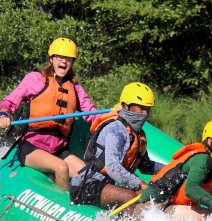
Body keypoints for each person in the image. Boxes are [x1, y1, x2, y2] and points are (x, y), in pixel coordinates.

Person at [0, 38, 101, 191]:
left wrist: (112, 117)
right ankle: (65, 208)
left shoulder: (75, 87)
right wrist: (4, 114)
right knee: (61, 167)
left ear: (72, 62)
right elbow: (10, 101)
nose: (64, 62)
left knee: (90, 174)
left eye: (68, 59)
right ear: (51, 59)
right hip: (32, 146)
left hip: (58, 148)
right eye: (60, 57)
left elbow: (92, 113)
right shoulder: (35, 79)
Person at [70, 83, 164, 214]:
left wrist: (170, 168)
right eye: (141, 108)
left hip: (109, 187)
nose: (145, 113)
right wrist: (142, 184)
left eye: (147, 109)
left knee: (147, 198)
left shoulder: (138, 134)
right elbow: (112, 167)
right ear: (126, 106)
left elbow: (145, 165)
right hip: (86, 186)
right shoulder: (116, 129)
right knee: (130, 196)